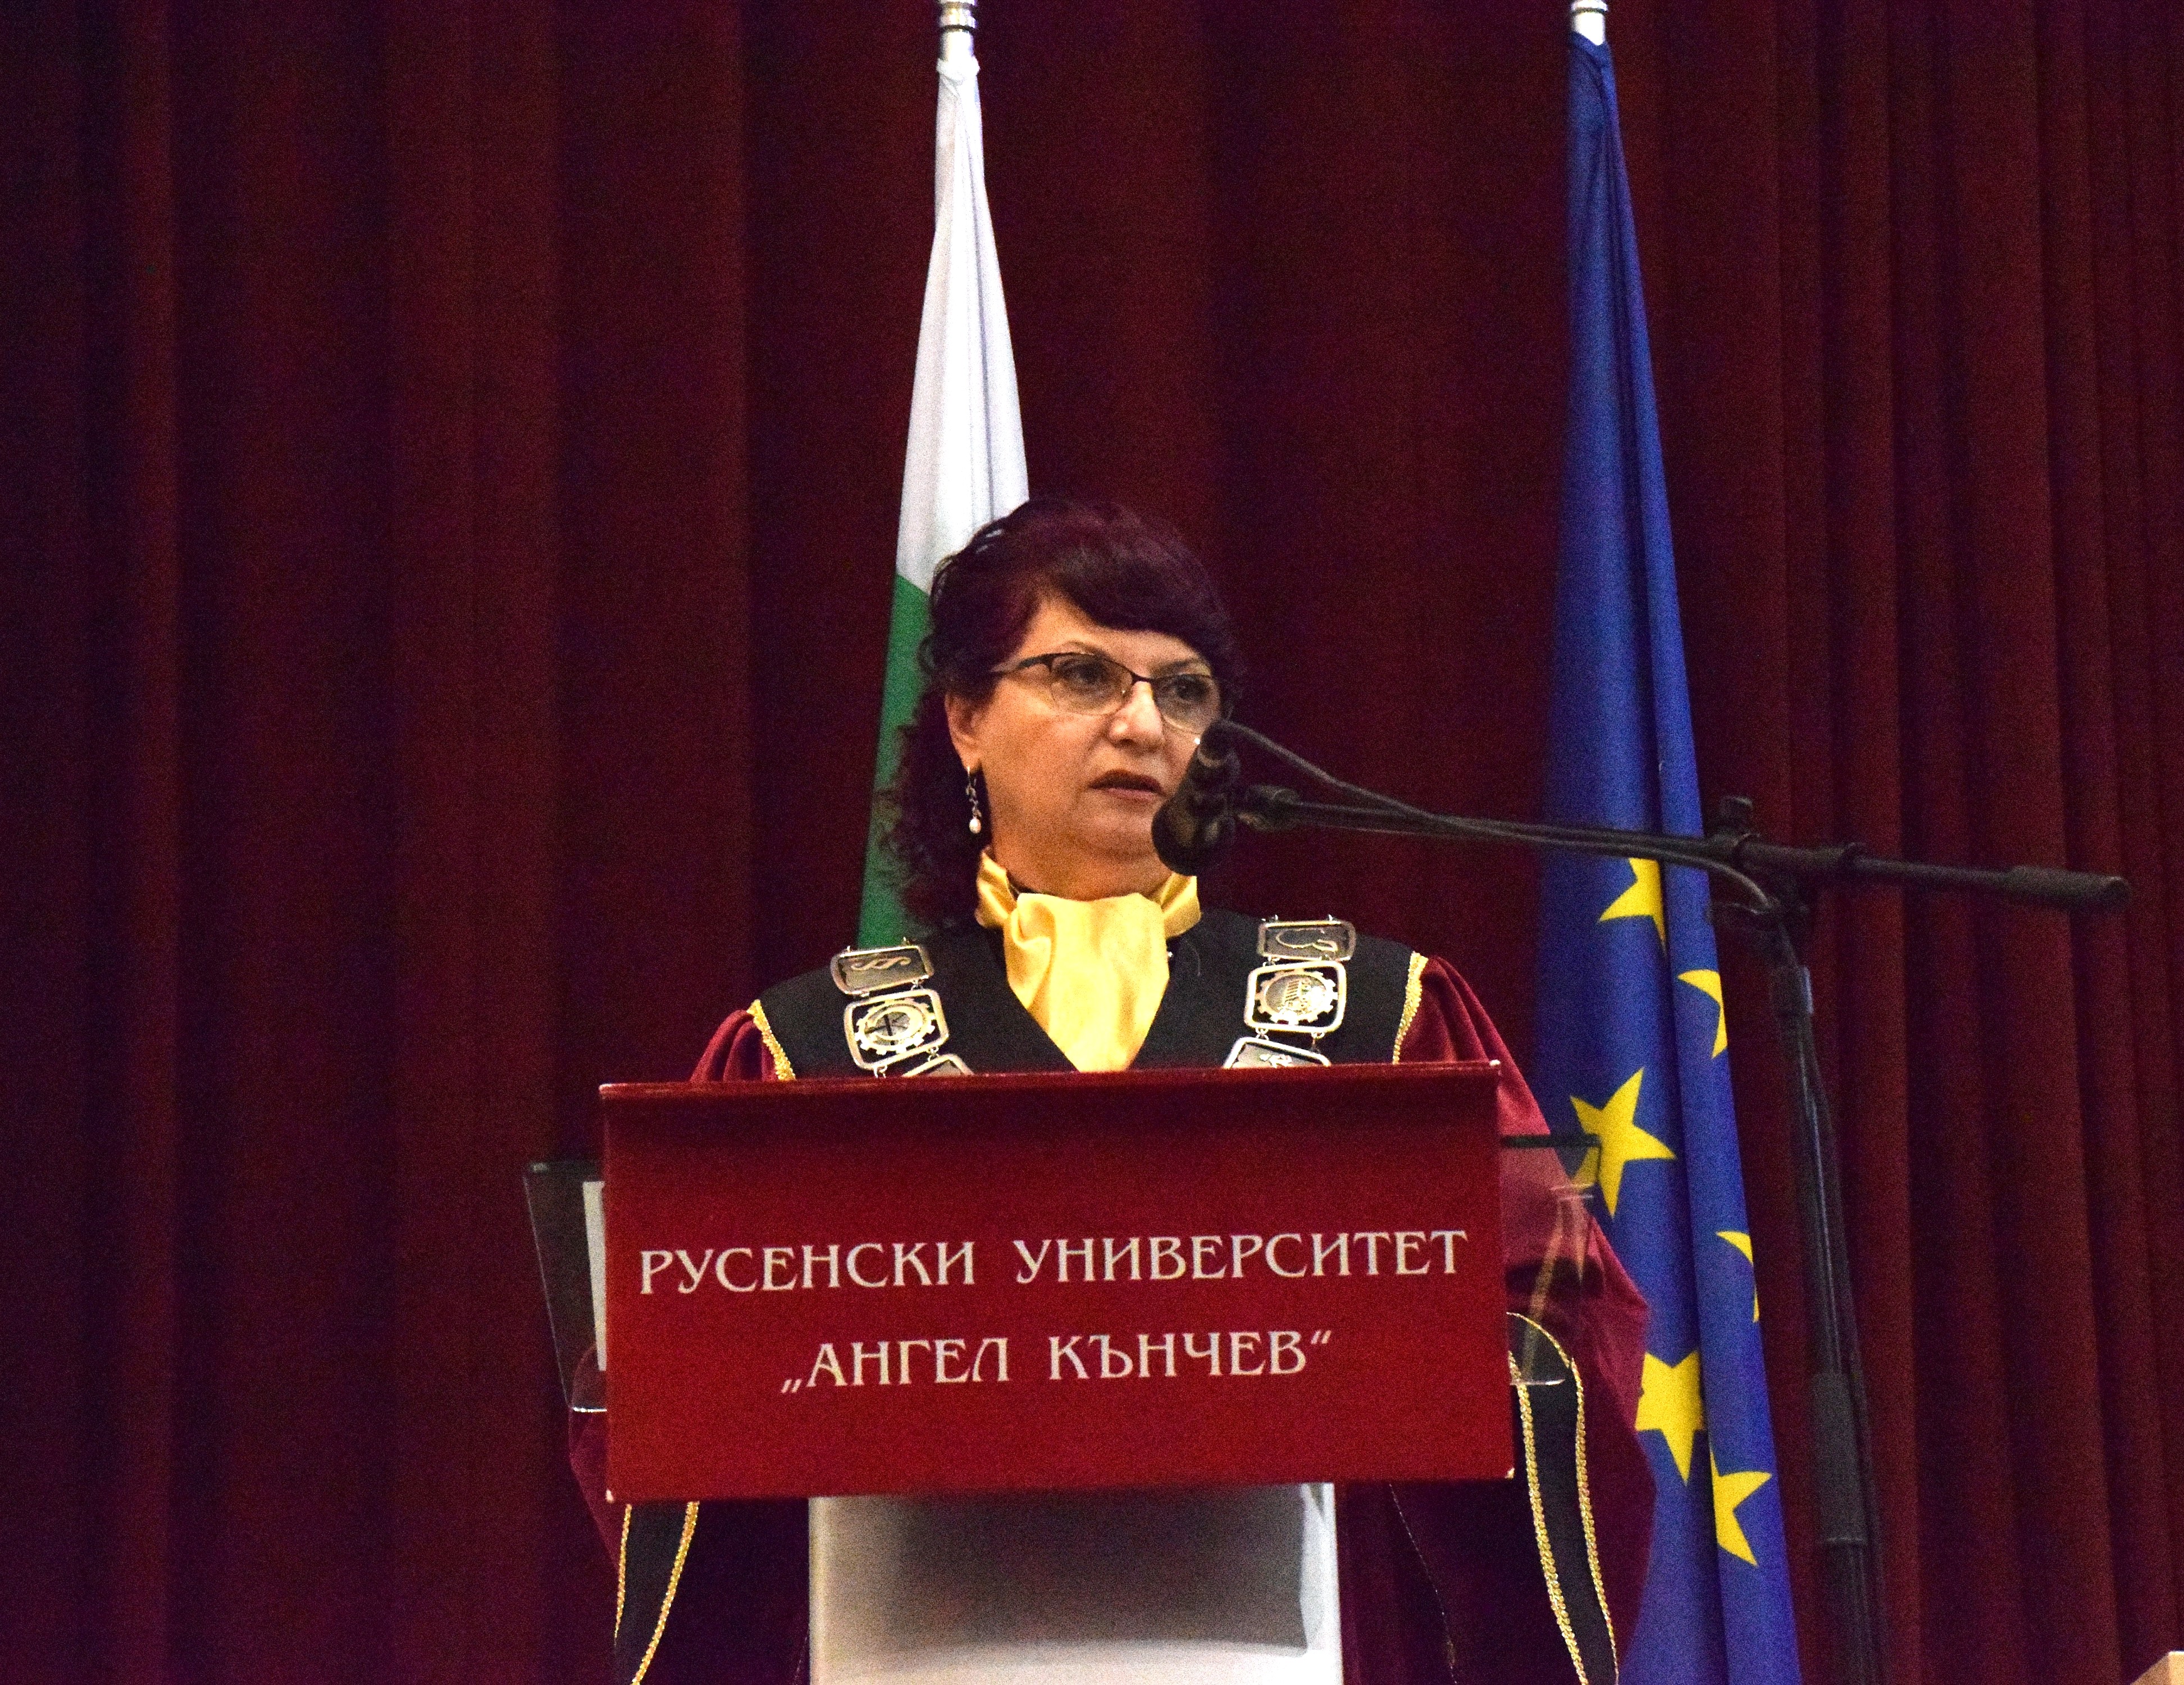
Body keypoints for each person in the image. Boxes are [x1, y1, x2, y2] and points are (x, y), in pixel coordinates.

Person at [571, 499, 1654, 1685]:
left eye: (1183, 691)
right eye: (1082, 674)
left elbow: (1559, 1331)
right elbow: (668, 1388)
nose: (1143, 724)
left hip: (1301, 1642)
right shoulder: (801, 1053)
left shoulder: (1382, 1023)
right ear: (966, 719)